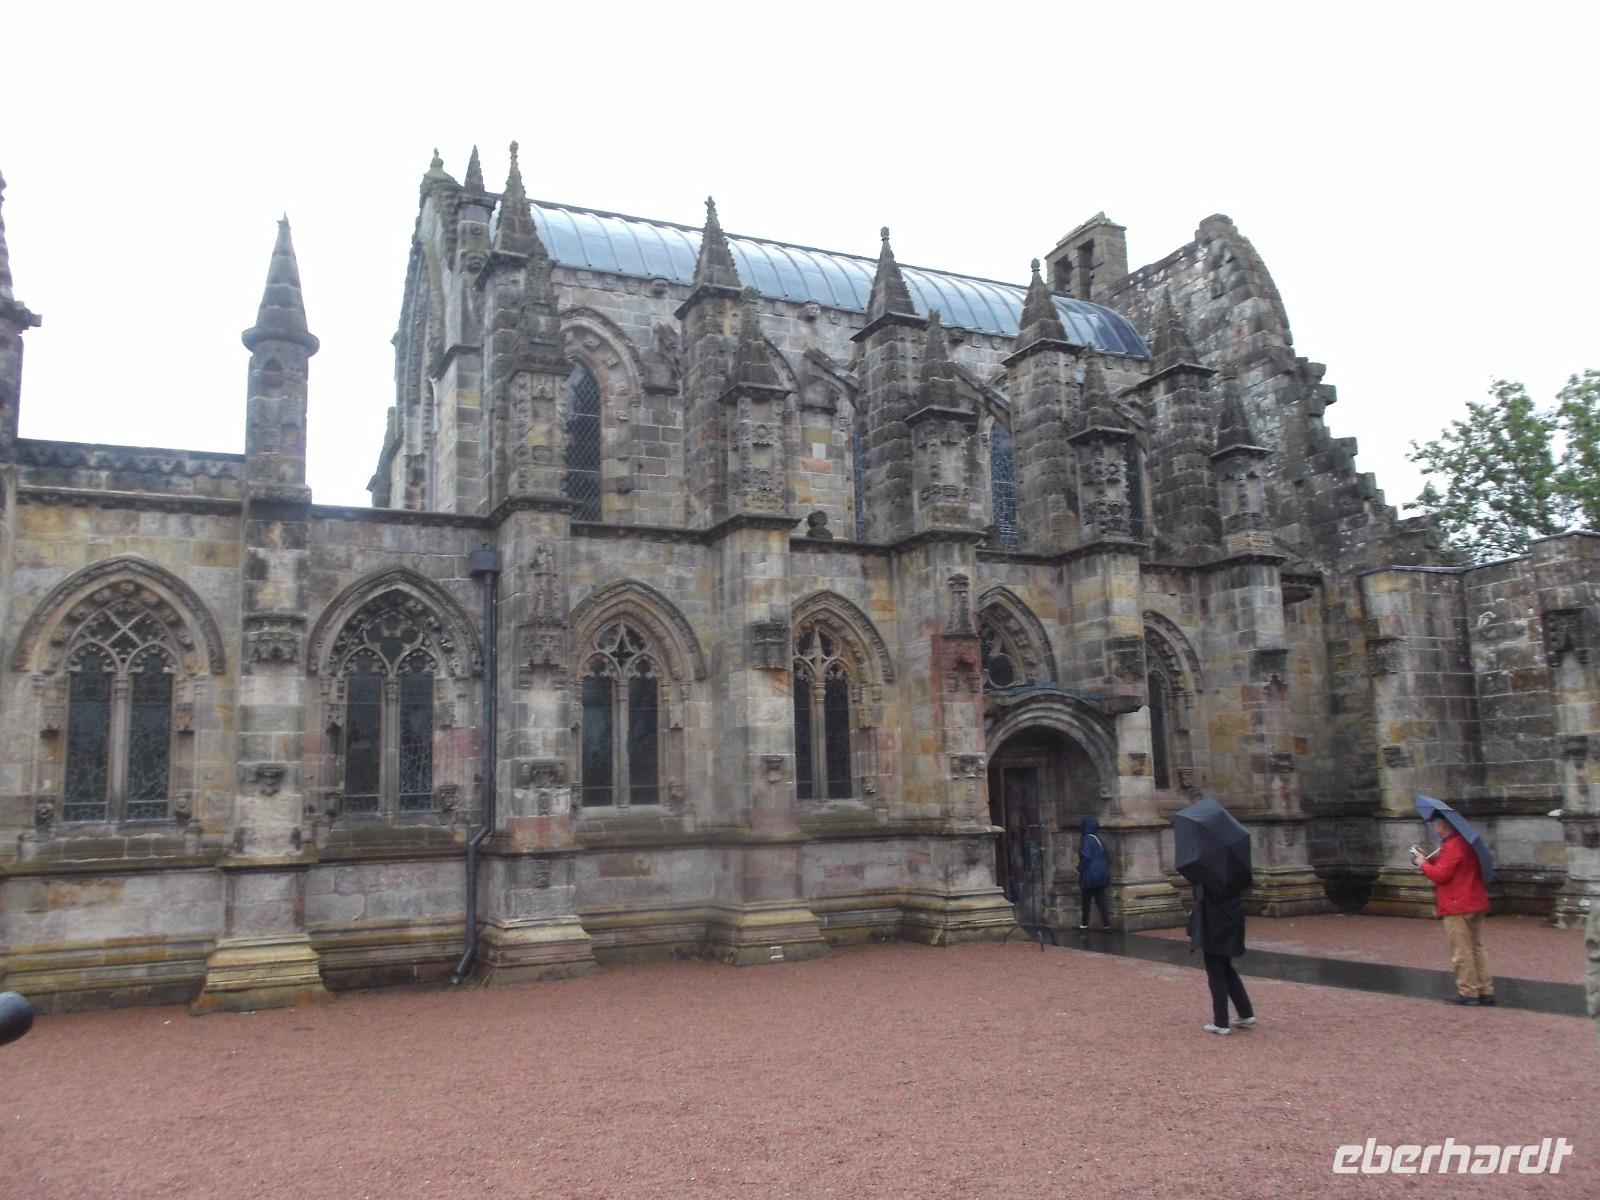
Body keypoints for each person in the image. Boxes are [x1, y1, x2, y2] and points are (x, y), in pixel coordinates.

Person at [1411, 814, 1494, 1006]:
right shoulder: (1463, 844)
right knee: (1477, 948)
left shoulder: (1454, 845)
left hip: (1457, 904)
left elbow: (1441, 875)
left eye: (1436, 825)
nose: (1434, 828)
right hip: (1474, 901)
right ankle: (1485, 989)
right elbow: (1449, 866)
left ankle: (1468, 990)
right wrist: (1429, 860)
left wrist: (1423, 864)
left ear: (1443, 826)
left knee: (1461, 950)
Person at [1188, 879, 1255, 1035]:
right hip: (1232, 918)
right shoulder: (1234, 867)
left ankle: (1221, 1022)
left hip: (1213, 920)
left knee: (1215, 970)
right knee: (1226, 967)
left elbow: (1201, 895)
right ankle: (1245, 1012)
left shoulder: (1206, 871)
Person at [1077, 817, 1111, 930]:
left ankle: (1084, 924)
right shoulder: (1098, 839)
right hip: (1101, 873)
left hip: (1090, 874)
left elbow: (1086, 856)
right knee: (1101, 900)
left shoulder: (1087, 839)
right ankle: (1106, 924)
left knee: (1086, 899)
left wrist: (1080, 868)